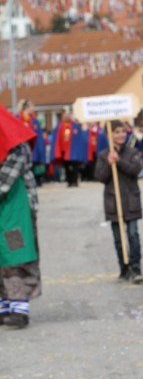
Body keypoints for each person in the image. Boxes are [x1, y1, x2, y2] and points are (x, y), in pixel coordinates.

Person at [0, 106, 41, 328]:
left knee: (16, 252)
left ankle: (19, 305)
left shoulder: (16, 145)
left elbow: (7, 178)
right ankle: (3, 303)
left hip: (16, 207)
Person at [95, 120, 143, 283]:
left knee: (132, 234)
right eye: (116, 132)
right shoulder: (103, 155)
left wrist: (120, 162)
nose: (121, 135)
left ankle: (136, 268)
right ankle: (124, 268)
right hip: (113, 202)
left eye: (123, 131)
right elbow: (100, 177)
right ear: (110, 135)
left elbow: (136, 170)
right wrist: (109, 164)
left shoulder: (133, 152)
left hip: (131, 200)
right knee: (118, 238)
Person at [50, 111, 87, 187]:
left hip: (73, 151)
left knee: (75, 167)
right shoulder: (59, 127)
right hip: (64, 151)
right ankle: (69, 181)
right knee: (66, 167)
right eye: (65, 116)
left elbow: (79, 139)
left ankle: (75, 181)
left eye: (67, 115)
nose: (66, 117)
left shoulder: (75, 126)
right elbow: (57, 139)